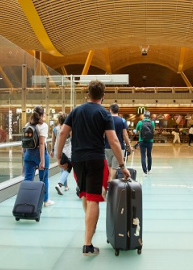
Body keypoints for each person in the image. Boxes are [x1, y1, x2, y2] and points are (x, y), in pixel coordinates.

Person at [55, 80, 130, 256]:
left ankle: (90, 227)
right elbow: (113, 141)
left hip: (78, 161)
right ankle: (87, 245)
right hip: (96, 160)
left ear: (88, 94)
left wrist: (58, 156)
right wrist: (122, 165)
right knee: (94, 199)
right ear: (103, 96)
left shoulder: (76, 111)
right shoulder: (104, 114)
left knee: (85, 195)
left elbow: (62, 133)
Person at [23, 106, 53, 207]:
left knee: (28, 179)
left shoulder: (28, 125)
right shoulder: (43, 126)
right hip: (39, 154)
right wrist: (42, 161)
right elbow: (41, 143)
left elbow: (24, 142)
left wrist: (25, 155)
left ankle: (25, 201)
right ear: (42, 115)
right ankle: (45, 200)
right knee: (43, 179)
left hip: (28, 154)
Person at [105, 103, 131, 181]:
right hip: (119, 147)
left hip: (107, 147)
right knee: (115, 167)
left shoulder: (106, 120)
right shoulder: (122, 120)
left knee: (109, 166)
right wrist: (128, 145)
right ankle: (110, 183)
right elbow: (125, 134)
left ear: (110, 110)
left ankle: (108, 183)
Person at [51, 112, 71, 195]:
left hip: (57, 149)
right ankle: (60, 184)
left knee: (62, 166)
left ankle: (65, 186)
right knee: (68, 167)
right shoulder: (69, 128)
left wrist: (52, 150)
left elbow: (53, 140)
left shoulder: (55, 129)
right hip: (66, 150)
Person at [135, 110, 155, 176]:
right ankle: (149, 169)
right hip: (150, 141)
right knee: (149, 155)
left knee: (143, 155)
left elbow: (136, 131)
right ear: (149, 116)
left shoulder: (140, 122)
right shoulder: (152, 122)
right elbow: (153, 130)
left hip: (142, 141)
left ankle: (144, 172)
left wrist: (137, 131)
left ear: (143, 115)